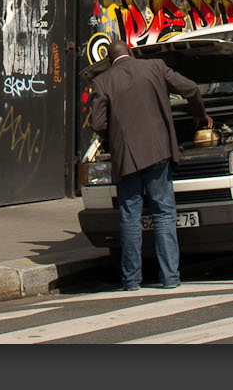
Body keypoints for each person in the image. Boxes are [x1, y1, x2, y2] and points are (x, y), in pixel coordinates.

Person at [87, 38, 212, 291]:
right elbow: (190, 89)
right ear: (131, 53)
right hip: (158, 152)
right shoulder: (155, 66)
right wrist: (199, 113)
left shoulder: (103, 81)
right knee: (164, 213)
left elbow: (97, 124)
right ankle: (170, 278)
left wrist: (117, 137)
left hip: (127, 159)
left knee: (129, 218)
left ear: (111, 60)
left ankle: (132, 281)